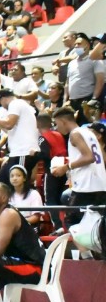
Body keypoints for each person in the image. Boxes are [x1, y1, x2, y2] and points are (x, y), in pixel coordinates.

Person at [51, 106, 106, 259]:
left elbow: (89, 157)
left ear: (63, 121)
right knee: (97, 225)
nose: (56, 128)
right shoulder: (89, 132)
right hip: (100, 185)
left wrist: (66, 167)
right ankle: (96, 257)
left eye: (56, 124)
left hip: (86, 188)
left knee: (71, 222)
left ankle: (89, 259)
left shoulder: (75, 134)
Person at [0, 89, 40, 184]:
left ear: (3, 99)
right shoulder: (22, 105)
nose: (3, 107)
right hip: (18, 152)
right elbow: (9, 129)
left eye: (1, 104)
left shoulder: (15, 103)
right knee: (2, 183)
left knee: (17, 184)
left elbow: (9, 124)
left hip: (23, 152)